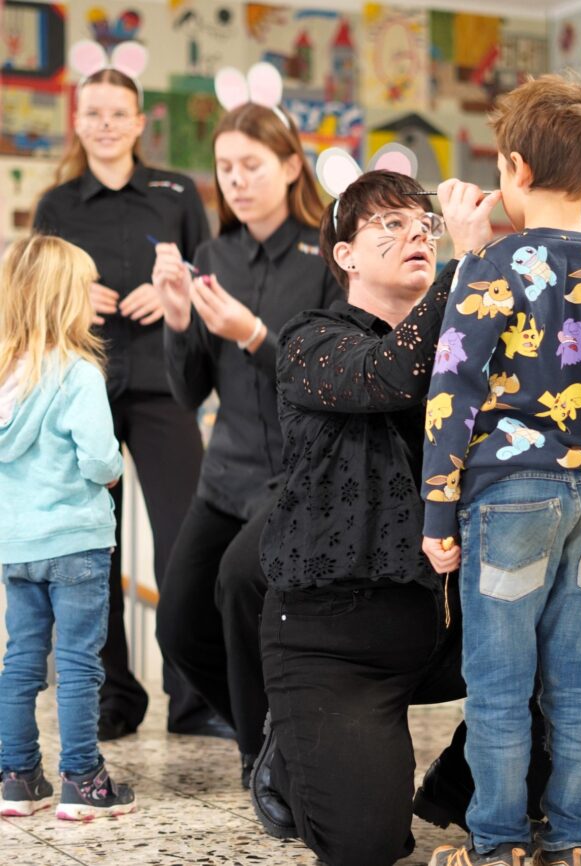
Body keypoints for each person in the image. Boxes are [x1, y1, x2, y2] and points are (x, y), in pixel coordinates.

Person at [421, 75, 581, 866]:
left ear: (513, 168)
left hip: (508, 496)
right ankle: (579, 842)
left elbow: (452, 388)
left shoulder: (493, 264)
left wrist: (436, 515)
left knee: (499, 685)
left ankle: (499, 843)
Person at [251, 164, 497, 866]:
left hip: (442, 623)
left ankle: (452, 787)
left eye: (424, 224)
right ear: (345, 255)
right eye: (390, 224)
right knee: (367, 846)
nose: (415, 234)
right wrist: (468, 260)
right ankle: (292, 742)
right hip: (334, 640)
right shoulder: (310, 339)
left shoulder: (462, 343)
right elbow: (390, 372)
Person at [152, 97, 343, 787]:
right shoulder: (212, 255)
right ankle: (268, 734)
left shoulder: (326, 256)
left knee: (240, 589)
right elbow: (189, 391)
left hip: (298, 477)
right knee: (175, 629)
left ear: (292, 165)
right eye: (224, 167)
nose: (235, 180)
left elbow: (330, 380)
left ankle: (259, 762)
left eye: (251, 165)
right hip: (225, 475)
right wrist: (179, 322)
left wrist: (255, 335)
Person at [32, 64, 211, 740]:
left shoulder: (177, 194)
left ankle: (194, 699)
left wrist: (175, 293)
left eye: (118, 113)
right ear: (77, 122)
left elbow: (207, 275)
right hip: (82, 392)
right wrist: (74, 297)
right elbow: (38, 299)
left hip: (167, 389)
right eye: (93, 112)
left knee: (184, 546)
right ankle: (114, 698)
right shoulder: (56, 205)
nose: (106, 124)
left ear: (140, 124)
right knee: (90, 551)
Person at [0, 234, 135, 820]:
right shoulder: (77, 373)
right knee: (79, 663)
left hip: (16, 545)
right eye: (85, 287)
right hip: (77, 543)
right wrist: (109, 474)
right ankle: (82, 780)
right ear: (63, 299)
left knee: (22, 660)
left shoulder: (6, 375)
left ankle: (17, 776)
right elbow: (101, 460)